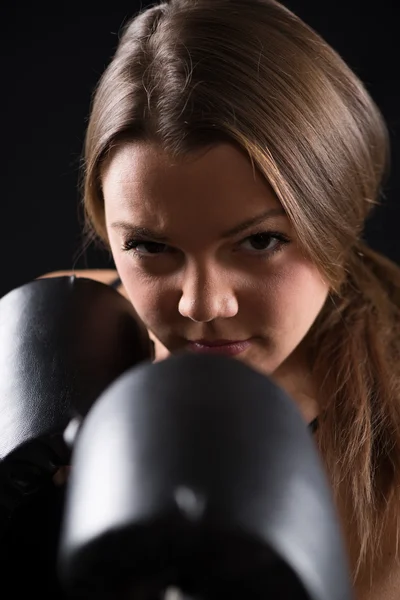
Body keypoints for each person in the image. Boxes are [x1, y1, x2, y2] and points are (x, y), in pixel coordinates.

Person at [39, 0, 400, 597]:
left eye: (260, 241)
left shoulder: (382, 466)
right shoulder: (58, 344)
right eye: (151, 247)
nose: (202, 306)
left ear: (340, 220)